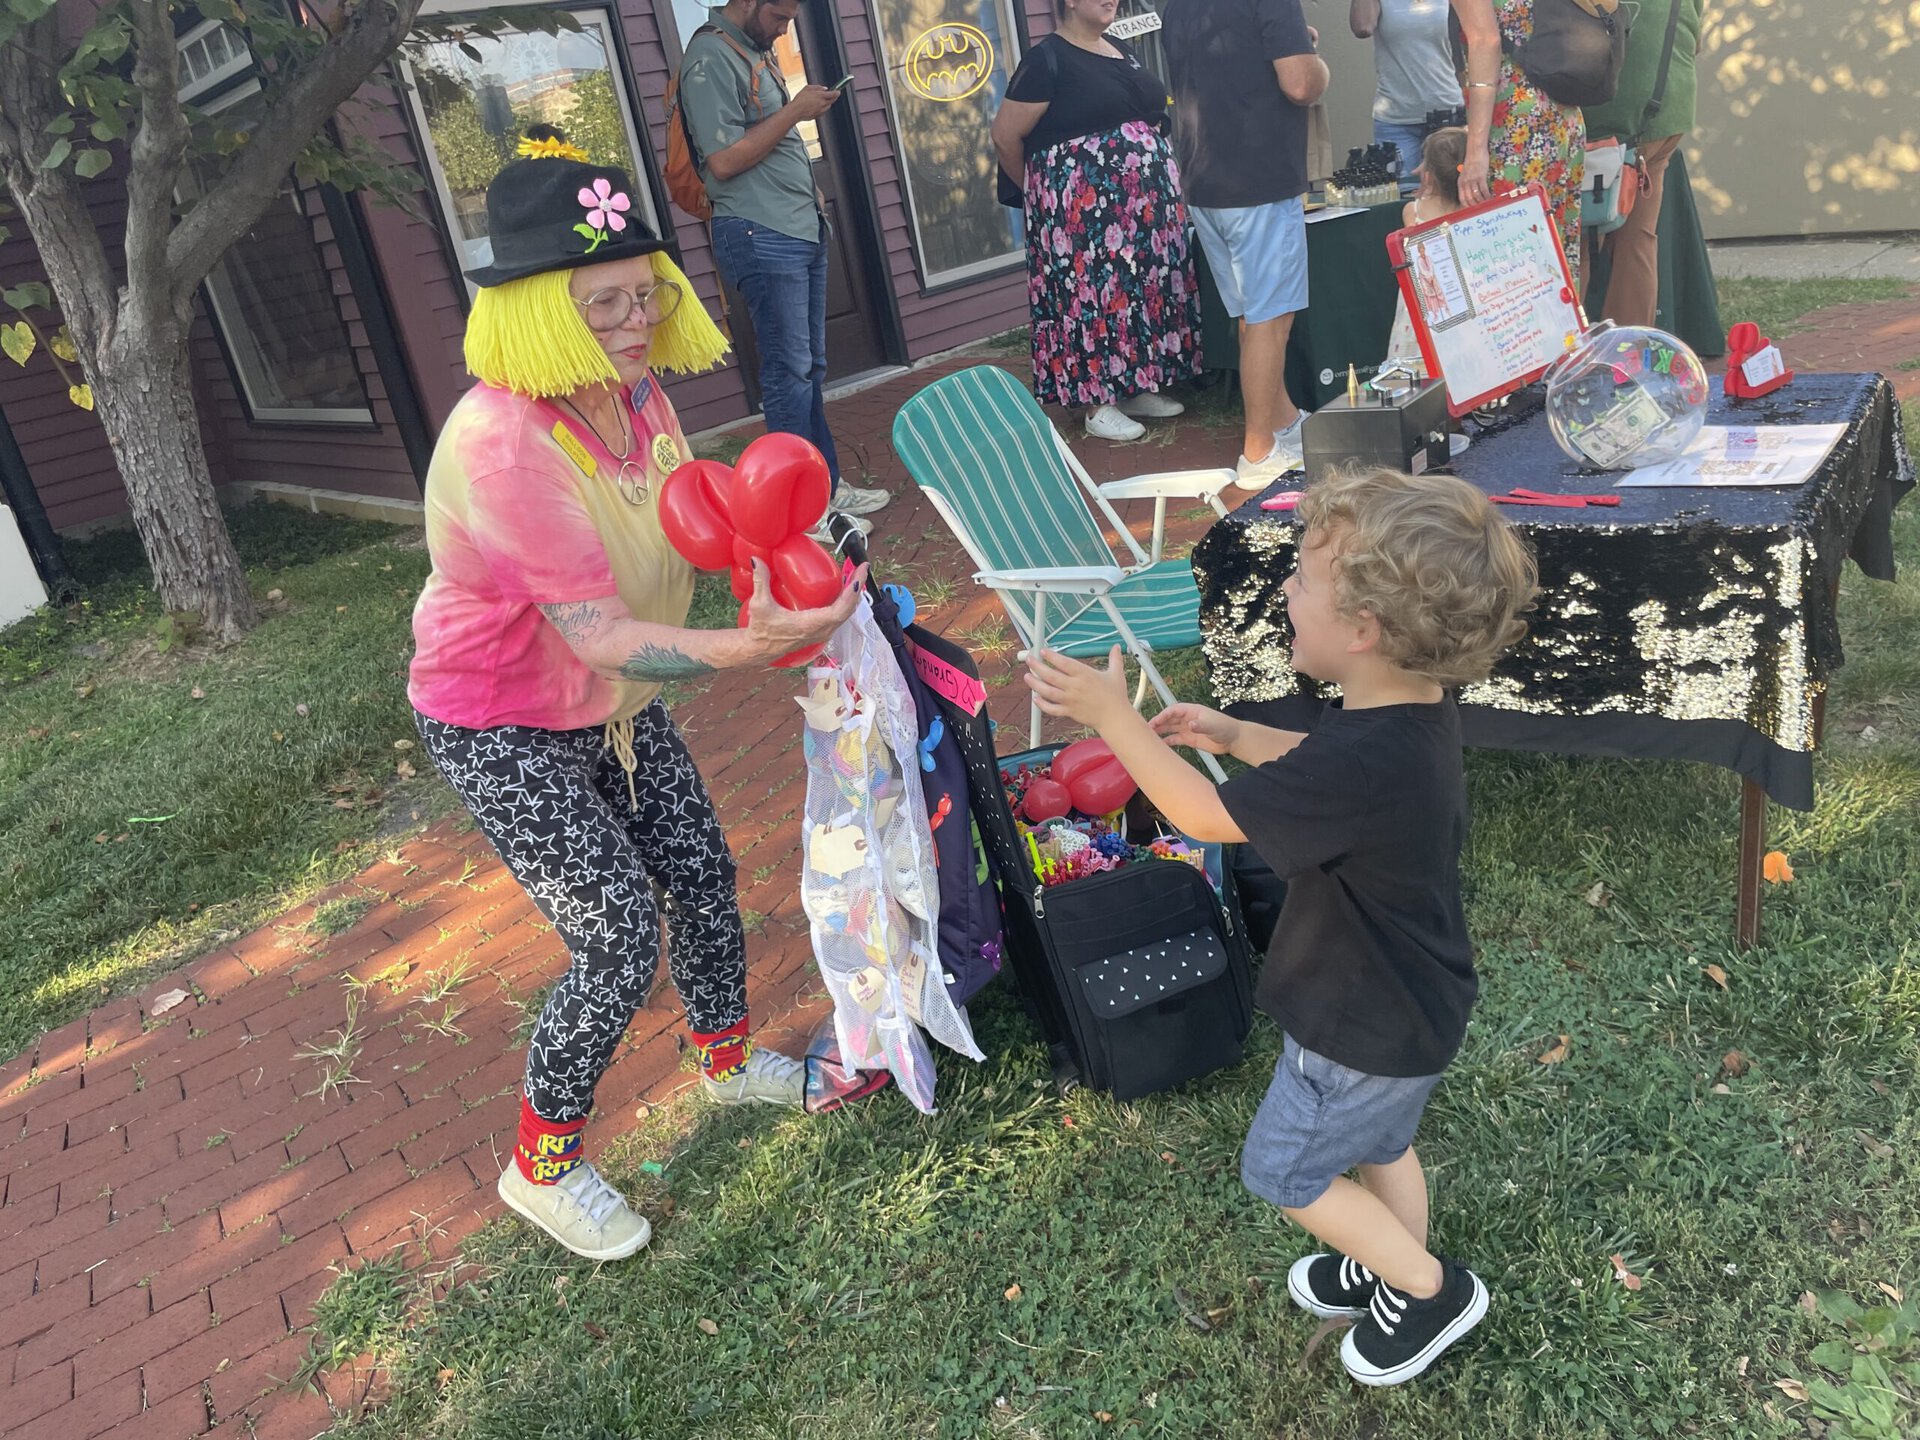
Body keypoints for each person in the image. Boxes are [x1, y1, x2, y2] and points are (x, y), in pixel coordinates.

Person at [409, 141, 866, 1262]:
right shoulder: (503, 444)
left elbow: (686, 529)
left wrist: (768, 570)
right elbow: (605, 633)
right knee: (615, 932)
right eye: (601, 302)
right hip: (501, 721)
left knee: (703, 872)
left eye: (644, 295)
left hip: (607, 704)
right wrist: (752, 644)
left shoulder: (637, 394)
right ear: (532, 314)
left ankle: (721, 1061)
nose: (632, 320)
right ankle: (542, 1167)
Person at [1023, 467, 1537, 1386]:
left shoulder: (1368, 758)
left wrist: (1115, 719)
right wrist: (1232, 734)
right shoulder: (1406, 714)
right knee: (1380, 1142)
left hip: (1359, 1026)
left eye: (1300, 578)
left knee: (1286, 1171)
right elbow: (1320, 760)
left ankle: (1425, 1288)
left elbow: (1200, 819)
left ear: (1364, 630)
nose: (1286, 593)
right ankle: (1384, 1259)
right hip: (1413, 1007)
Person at [677, 0, 889, 538]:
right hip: (759, 232)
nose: (785, 26)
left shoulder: (754, 50)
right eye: (779, 14)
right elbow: (722, 160)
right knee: (788, 373)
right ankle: (799, 509)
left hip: (797, 226)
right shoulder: (708, 56)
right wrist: (794, 111)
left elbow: (767, 143)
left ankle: (824, 485)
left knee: (809, 368)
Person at [991, 0, 1201, 443]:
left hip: (1140, 212)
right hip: (1084, 217)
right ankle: (1096, 403)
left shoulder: (1120, 48)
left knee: (1140, 292)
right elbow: (1006, 135)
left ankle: (1134, 385)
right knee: (1097, 301)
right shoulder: (1046, 60)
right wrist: (1041, 197)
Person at [1162, 0, 1330, 489]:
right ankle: (1259, 451)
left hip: (1205, 179)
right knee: (1270, 319)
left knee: (1252, 315)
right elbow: (1300, 83)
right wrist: (1317, 64)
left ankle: (1281, 422)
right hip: (1258, 180)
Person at [1581, 0, 1703, 326]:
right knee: (1638, 239)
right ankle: (1629, 356)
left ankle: (1558, 356)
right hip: (1667, 109)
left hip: (1612, 119)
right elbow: (1695, 41)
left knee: (1579, 242)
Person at [1450, 0, 1585, 285]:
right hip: (1563, 113)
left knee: (1510, 261)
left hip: (1514, 124)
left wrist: (1475, 149)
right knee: (1556, 252)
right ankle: (1563, 329)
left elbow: (1485, 39)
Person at [1383, 126, 1468, 377]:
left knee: (1416, 371)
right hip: (1458, 302)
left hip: (1420, 308)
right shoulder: (1471, 213)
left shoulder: (1413, 211)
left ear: (1427, 175)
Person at [1349, 0, 1462, 189]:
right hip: (1396, 120)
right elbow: (1363, 27)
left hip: (1447, 114)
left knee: (1452, 200)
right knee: (1401, 202)